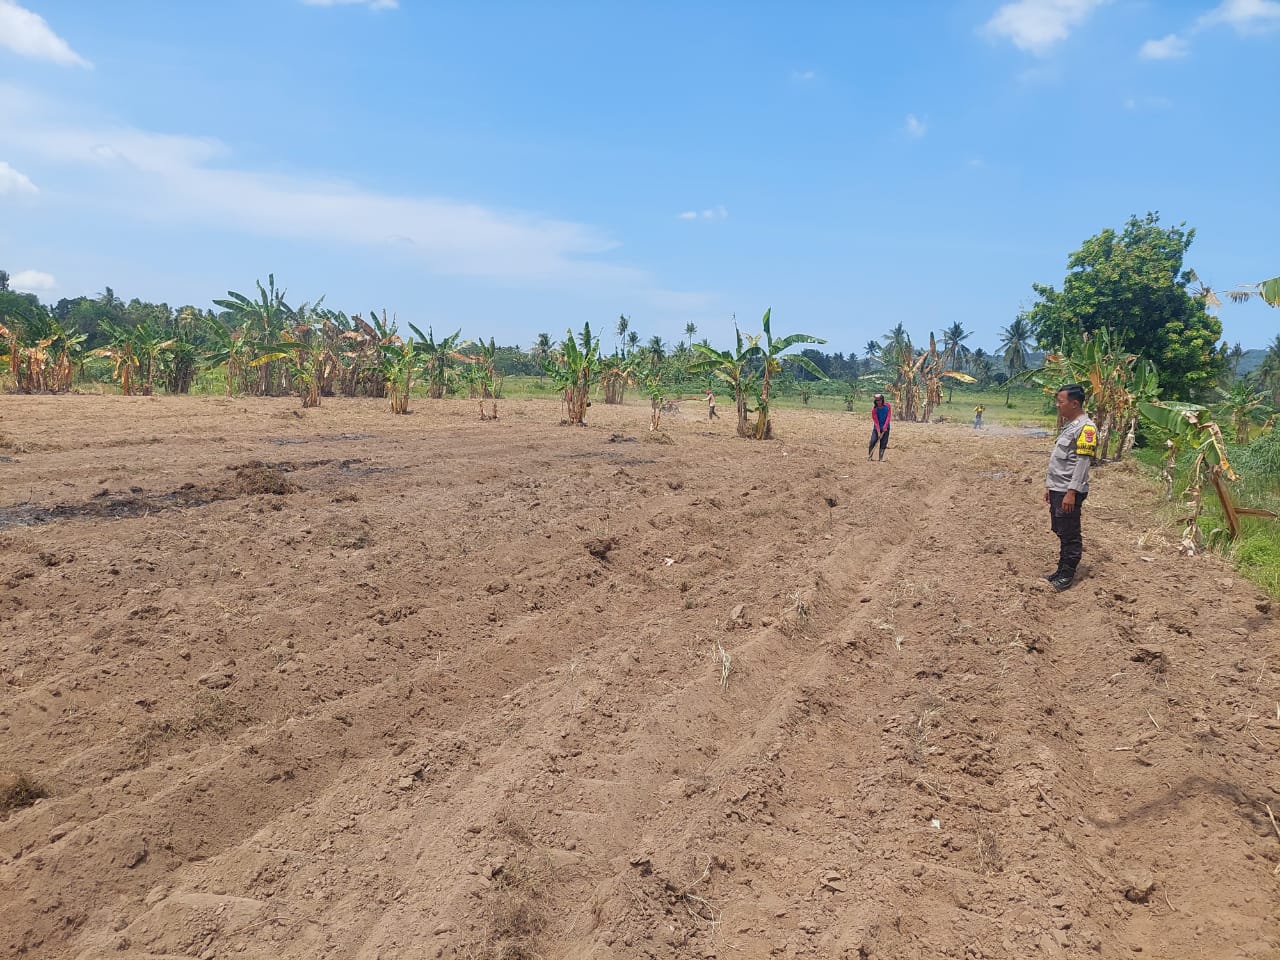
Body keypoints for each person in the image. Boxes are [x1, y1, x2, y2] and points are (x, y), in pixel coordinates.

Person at [1044, 383, 1097, 591]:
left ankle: (1066, 575)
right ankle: (1061, 570)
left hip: (1068, 490)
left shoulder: (1086, 428)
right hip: (1058, 488)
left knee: (1070, 533)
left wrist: (1071, 492)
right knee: (1060, 529)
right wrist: (1050, 487)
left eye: (1061, 401)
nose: (1057, 405)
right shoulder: (1071, 426)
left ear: (1074, 404)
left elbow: (1082, 464)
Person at [868, 393, 892, 461]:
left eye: (879, 400)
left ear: (882, 400)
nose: (878, 402)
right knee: (873, 441)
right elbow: (876, 422)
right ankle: (870, 456)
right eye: (877, 400)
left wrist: (885, 427)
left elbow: (888, 417)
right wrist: (878, 432)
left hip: (886, 428)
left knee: (883, 443)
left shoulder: (888, 406)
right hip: (877, 428)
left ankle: (880, 458)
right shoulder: (874, 410)